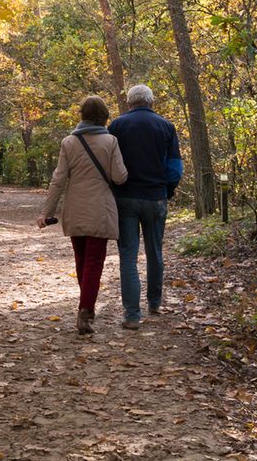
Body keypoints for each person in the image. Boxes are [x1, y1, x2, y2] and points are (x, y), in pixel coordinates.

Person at [37, 95, 128, 334]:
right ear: (104, 115)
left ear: (82, 115)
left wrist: (46, 213)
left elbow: (58, 180)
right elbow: (119, 177)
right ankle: (85, 310)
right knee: (94, 262)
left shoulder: (69, 142)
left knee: (81, 261)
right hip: (100, 208)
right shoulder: (111, 141)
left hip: (75, 208)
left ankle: (85, 307)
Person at [108, 83, 183, 330]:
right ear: (151, 102)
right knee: (155, 251)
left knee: (128, 256)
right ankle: (154, 302)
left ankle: (132, 314)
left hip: (126, 198)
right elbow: (174, 167)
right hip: (155, 197)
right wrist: (167, 190)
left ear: (130, 103)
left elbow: (111, 164)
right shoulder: (166, 127)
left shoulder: (117, 126)